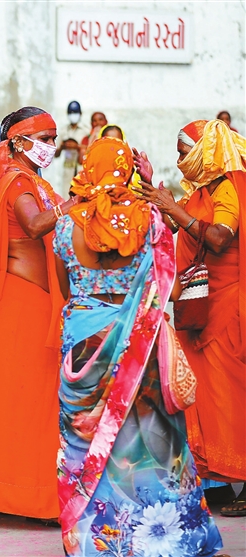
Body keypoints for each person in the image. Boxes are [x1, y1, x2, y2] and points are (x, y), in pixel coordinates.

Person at [55, 136, 223, 556]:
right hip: (140, 342)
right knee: (152, 438)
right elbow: (169, 288)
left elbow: (67, 289)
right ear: (127, 171)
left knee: (86, 442)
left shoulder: (66, 224)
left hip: (85, 341)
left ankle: (96, 541)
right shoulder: (150, 221)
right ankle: (166, 537)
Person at [0, 107, 82, 520]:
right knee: (25, 401)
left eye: (53, 138)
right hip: (22, 302)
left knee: (33, 401)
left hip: (37, 301)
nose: (51, 146)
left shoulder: (35, 181)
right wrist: (76, 202)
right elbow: (34, 226)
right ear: (17, 141)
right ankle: (26, 496)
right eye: (45, 139)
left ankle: (27, 493)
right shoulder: (17, 182)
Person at [136, 119, 246, 517]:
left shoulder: (229, 188)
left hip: (225, 305)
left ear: (204, 153)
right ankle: (216, 481)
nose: (180, 159)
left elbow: (218, 238)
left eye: (184, 152)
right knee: (201, 395)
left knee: (230, 394)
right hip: (199, 303)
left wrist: (173, 209)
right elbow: (180, 226)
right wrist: (153, 189)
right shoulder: (202, 189)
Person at [50, 100, 88, 197]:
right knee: (66, 196)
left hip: (81, 168)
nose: (73, 115)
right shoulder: (63, 131)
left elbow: (89, 149)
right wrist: (62, 146)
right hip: (68, 168)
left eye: (75, 113)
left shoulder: (86, 130)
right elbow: (56, 154)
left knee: (81, 196)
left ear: (80, 113)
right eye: (71, 113)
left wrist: (77, 147)